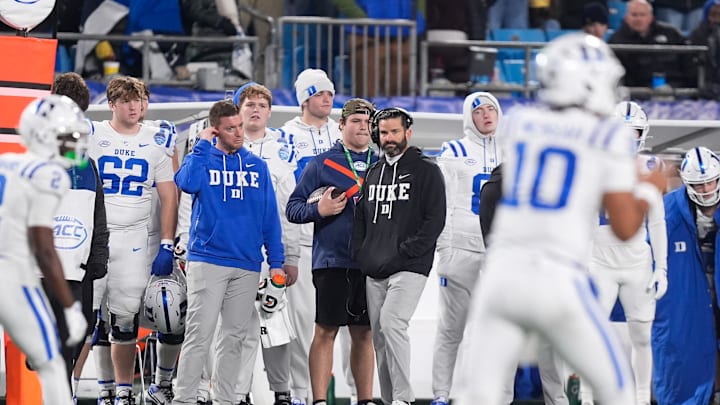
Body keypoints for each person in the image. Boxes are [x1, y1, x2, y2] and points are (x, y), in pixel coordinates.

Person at [452, 33, 668, 405]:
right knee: (616, 389)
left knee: (480, 392)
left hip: (503, 273)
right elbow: (625, 226)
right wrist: (649, 190)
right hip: (556, 276)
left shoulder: (519, 123)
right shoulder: (606, 136)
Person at [172, 99, 285, 404]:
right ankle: (183, 399)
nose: (239, 133)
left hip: (247, 264)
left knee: (233, 339)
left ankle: (226, 400)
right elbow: (186, 182)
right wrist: (201, 146)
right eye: (230, 128)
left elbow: (269, 219)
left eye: (239, 126)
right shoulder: (203, 158)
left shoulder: (257, 167)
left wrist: (276, 263)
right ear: (216, 131)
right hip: (207, 260)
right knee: (199, 335)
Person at [88, 76, 179, 405]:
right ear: (111, 104)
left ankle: (125, 390)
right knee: (88, 317)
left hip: (136, 238)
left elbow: (171, 195)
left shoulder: (157, 139)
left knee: (126, 317)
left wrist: (167, 244)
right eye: (126, 100)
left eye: (138, 100)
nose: (134, 106)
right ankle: (91, 388)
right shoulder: (93, 134)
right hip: (96, 234)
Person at [286, 98, 379, 405]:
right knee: (326, 331)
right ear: (341, 125)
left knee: (364, 334)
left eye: (367, 122)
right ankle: (319, 400)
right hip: (332, 260)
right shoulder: (323, 162)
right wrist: (320, 209)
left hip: (371, 262)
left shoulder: (383, 163)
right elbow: (293, 208)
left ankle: (364, 400)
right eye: (356, 121)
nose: (362, 126)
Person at [352, 107, 447, 405]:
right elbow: (361, 219)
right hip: (375, 267)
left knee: (392, 322)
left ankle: (404, 399)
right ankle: (391, 398)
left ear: (408, 132)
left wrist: (408, 252)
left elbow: (435, 219)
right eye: (383, 133)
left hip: (409, 265)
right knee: (380, 337)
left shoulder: (426, 169)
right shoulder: (373, 172)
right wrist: (362, 254)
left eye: (394, 132)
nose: (389, 138)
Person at [0, 94, 90, 405]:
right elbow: (44, 250)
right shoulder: (49, 174)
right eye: (67, 137)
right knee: (51, 363)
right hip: (11, 274)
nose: (74, 145)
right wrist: (69, 306)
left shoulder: (6, 163)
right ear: (43, 136)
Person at [579, 101, 668, 405]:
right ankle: (588, 396)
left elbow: (657, 221)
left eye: (635, 131)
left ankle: (642, 397)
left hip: (637, 261)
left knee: (642, 336)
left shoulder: (650, 166)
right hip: (600, 258)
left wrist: (662, 267)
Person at [280, 68, 357, 405]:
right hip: (302, 237)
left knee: (355, 325)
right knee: (306, 324)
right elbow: (284, 193)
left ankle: (357, 392)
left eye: (329, 93)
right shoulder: (282, 137)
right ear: (304, 99)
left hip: (341, 239)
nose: (327, 98)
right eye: (319, 93)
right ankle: (303, 394)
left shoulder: (343, 134)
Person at [430, 91, 501, 405]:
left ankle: (481, 394)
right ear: (467, 117)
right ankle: (442, 394)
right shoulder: (453, 150)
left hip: (498, 252)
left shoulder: (510, 152)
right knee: (451, 327)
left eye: (491, 109)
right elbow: (440, 202)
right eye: (479, 111)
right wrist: (443, 247)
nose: (486, 115)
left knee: (488, 330)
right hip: (461, 246)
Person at [234, 82, 300, 405]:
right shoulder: (224, 146)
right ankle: (239, 391)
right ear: (238, 110)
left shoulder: (283, 148)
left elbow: (291, 207)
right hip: (235, 252)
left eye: (261, 104)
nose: (256, 109)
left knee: (275, 325)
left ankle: (282, 392)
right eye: (249, 104)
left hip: (271, 252)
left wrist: (292, 256)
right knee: (237, 327)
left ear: (270, 111)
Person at [50, 72, 110, 401]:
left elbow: (97, 214)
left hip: (80, 269)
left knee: (80, 330)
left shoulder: (88, 165)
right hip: (43, 270)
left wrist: (99, 255)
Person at [652, 146, 720, 405]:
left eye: (711, 182)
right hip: (686, 292)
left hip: (712, 283)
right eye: (700, 184)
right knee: (683, 352)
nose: (707, 189)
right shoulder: (667, 210)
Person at [608, 0, 690, 89]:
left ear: (651, 17)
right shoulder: (616, 40)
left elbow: (689, 61)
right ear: (626, 18)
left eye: (642, 15)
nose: (638, 19)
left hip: (676, 89)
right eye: (634, 15)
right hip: (637, 93)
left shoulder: (671, 33)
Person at [688, 0, 720, 98]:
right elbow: (690, 66)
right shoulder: (697, 35)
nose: (717, 19)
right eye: (713, 14)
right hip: (705, 84)